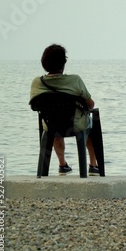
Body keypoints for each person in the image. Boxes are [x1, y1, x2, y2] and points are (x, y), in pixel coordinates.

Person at [30, 44, 99, 176]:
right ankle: (93, 165)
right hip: (76, 125)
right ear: (63, 62)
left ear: (44, 63)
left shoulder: (36, 83)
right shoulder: (74, 80)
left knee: (55, 125)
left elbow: (35, 105)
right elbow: (90, 105)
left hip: (51, 125)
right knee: (91, 122)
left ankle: (62, 164)